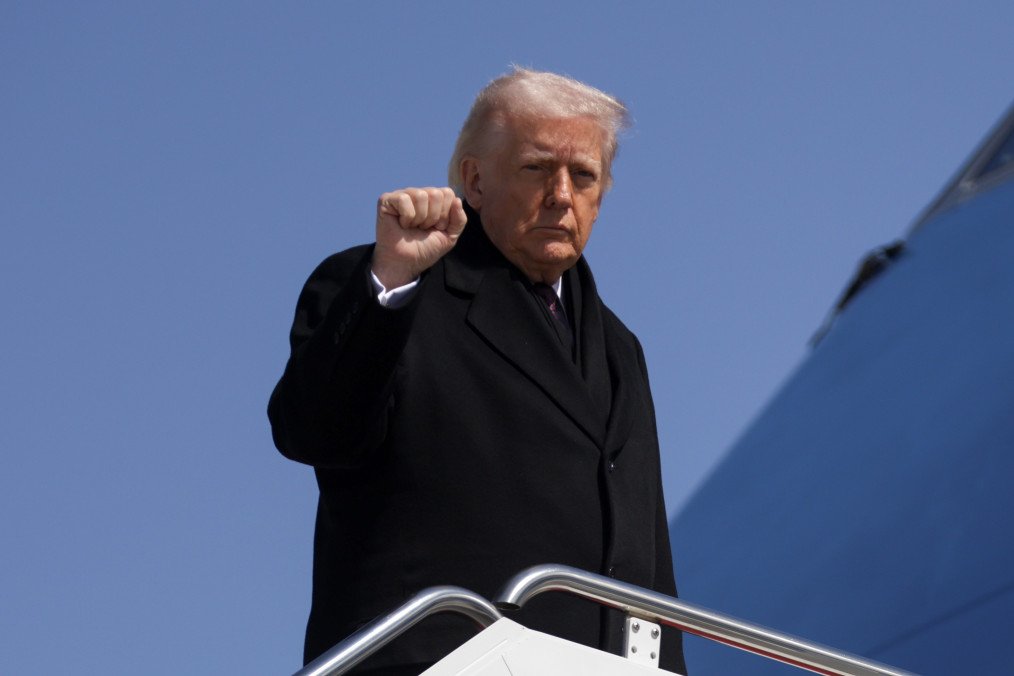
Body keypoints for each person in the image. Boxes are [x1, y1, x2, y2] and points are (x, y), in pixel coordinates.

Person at [268, 67, 687, 675]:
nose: (562, 195)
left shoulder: (621, 349)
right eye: (537, 168)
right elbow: (313, 431)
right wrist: (390, 284)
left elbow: (646, 562)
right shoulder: (392, 289)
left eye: (584, 175)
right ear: (474, 180)